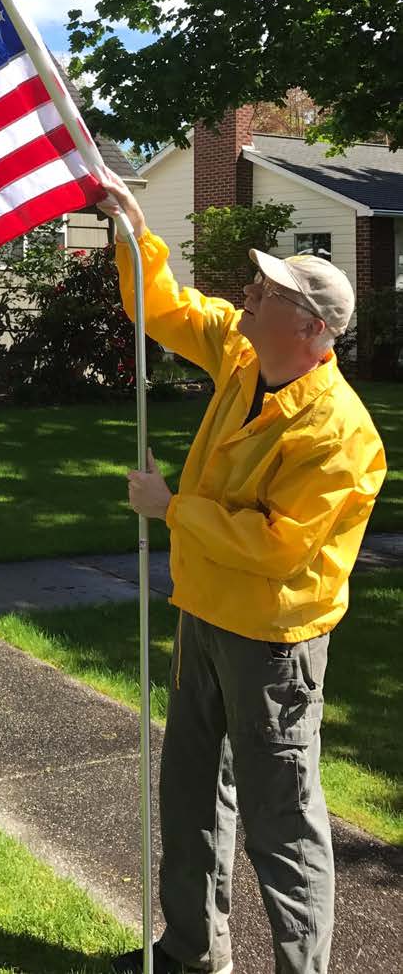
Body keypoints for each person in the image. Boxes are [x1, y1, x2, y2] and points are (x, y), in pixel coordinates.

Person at [95, 170, 386, 974]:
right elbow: (163, 307)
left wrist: (171, 508)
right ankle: (191, 953)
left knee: (280, 821)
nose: (247, 294)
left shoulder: (340, 433)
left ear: (307, 325)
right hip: (202, 617)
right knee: (187, 795)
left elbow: (278, 548)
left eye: (266, 290)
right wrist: (130, 228)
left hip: (271, 644)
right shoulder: (240, 355)